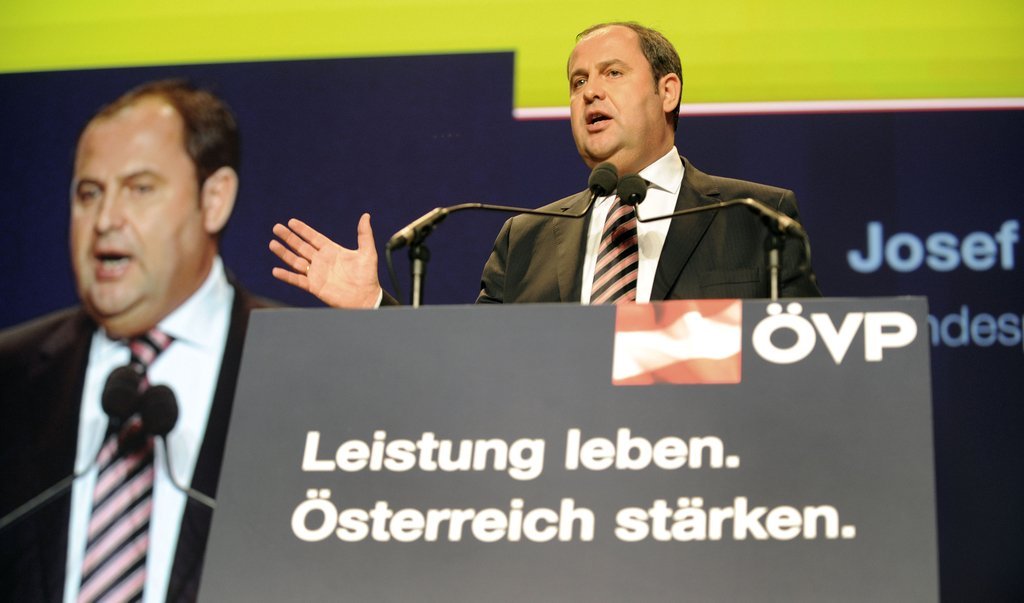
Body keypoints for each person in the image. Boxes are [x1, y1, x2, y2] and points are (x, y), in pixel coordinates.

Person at [269, 21, 820, 305]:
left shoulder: (755, 216)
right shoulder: (526, 239)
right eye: (577, 82)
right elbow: (472, 370)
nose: (589, 92)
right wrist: (372, 304)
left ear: (667, 90)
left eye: (612, 73)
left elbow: (800, 363)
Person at [0, 80, 273, 602]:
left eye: (140, 189)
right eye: (89, 193)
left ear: (214, 200)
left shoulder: (301, 373)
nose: (105, 221)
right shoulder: (8, 378)